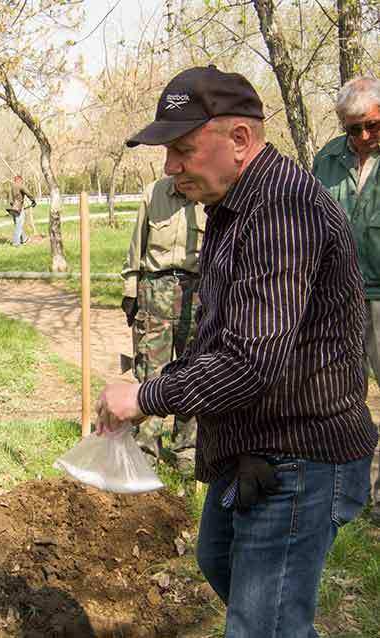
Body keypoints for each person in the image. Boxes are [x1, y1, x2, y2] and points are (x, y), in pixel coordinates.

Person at [96, 65, 377, 637]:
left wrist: (146, 396)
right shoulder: (236, 207)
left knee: (260, 626)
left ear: (240, 140)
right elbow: (223, 333)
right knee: (220, 562)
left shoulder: (281, 211)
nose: (171, 169)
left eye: (182, 150)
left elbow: (249, 361)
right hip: (255, 442)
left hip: (300, 452)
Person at [312, 76, 380, 525]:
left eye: (372, 126)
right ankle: (347, 496)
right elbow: (313, 223)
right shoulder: (327, 160)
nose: (363, 137)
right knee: (341, 397)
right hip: (339, 297)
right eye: (353, 128)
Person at [120, 176, 205, 470]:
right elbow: (136, 245)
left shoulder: (210, 192)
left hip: (196, 292)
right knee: (151, 373)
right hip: (154, 290)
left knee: (194, 371)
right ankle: (145, 448)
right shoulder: (153, 193)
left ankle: (188, 450)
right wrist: (131, 289)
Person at [5, 175, 35, 246]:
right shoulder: (20, 186)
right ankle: (15, 243)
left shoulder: (11, 187)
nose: (22, 182)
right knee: (19, 225)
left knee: (18, 224)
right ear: (20, 180)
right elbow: (28, 193)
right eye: (22, 181)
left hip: (12, 208)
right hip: (18, 209)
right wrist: (33, 200)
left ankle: (24, 239)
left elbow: (10, 199)